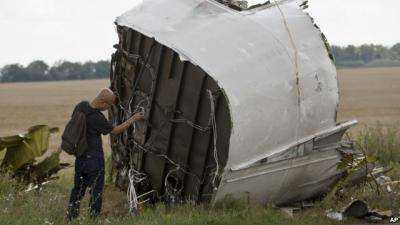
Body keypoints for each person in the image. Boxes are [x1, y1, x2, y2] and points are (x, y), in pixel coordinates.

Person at [66, 88, 144, 221]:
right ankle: (93, 219)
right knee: (96, 191)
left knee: (78, 190)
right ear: (103, 103)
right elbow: (114, 131)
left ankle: (71, 217)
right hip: (94, 161)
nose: (108, 108)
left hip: (80, 158)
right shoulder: (97, 118)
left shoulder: (81, 106)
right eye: (109, 105)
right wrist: (133, 119)